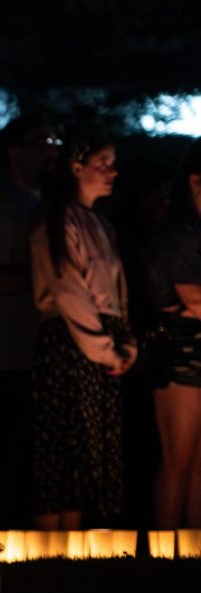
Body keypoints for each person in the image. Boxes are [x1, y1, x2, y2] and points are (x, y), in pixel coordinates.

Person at [30, 130, 136, 531]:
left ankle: (78, 545)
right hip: (72, 343)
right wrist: (105, 348)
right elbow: (68, 290)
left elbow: (116, 291)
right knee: (66, 444)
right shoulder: (57, 221)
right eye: (102, 163)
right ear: (76, 168)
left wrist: (126, 341)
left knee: (93, 445)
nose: (113, 171)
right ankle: (53, 546)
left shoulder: (101, 225)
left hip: (103, 340)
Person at [0, 114, 60, 528]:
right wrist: (49, 277)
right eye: (42, 141)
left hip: (30, 356)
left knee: (25, 468)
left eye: (55, 140)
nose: (51, 150)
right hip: (2, 358)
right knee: (0, 466)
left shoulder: (43, 207)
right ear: (14, 152)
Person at [146, 139, 201, 528]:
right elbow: (193, 299)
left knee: (198, 465)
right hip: (181, 355)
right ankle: (166, 555)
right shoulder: (180, 234)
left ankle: (192, 552)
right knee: (178, 462)